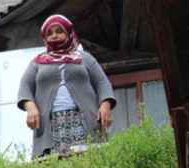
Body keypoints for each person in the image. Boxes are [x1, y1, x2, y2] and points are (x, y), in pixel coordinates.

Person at [18, 14, 116, 158]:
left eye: (59, 31)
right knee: (55, 167)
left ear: (68, 33)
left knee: (88, 162)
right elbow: (25, 87)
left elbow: (102, 83)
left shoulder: (84, 58)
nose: (54, 36)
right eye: (49, 33)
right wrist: (30, 108)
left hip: (83, 121)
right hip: (51, 124)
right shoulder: (37, 63)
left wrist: (105, 105)